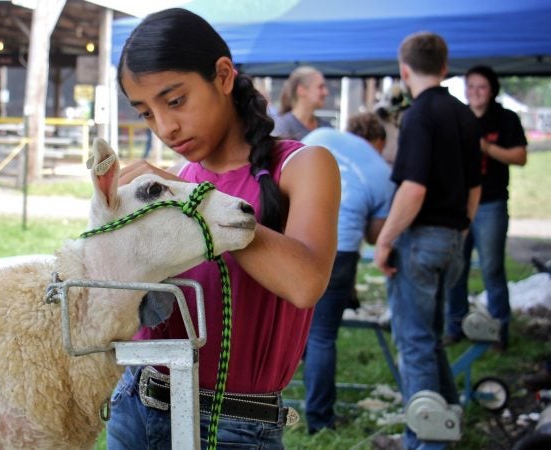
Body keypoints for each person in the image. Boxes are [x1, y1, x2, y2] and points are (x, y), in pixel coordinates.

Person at [106, 8, 340, 449]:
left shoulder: (302, 165)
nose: (165, 127)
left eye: (175, 101)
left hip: (233, 424)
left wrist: (191, 201)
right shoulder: (181, 178)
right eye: (146, 114)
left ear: (223, 75)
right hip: (138, 403)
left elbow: (306, 282)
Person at [373, 32, 481, 450]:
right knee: (431, 338)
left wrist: (384, 240)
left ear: (404, 70)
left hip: (420, 240)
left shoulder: (418, 116)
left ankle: (424, 441)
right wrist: (460, 229)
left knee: (414, 343)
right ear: (444, 67)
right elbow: (475, 187)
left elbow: (412, 189)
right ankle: (448, 420)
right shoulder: (465, 115)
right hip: (454, 237)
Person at [299, 112, 394, 434]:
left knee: (294, 323)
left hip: (295, 239)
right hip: (340, 250)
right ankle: (320, 421)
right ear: (378, 141)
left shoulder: (320, 138)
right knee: (323, 335)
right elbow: (375, 235)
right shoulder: (383, 171)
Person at [444, 65, 528, 351]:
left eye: (481, 87)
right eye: (470, 87)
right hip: (461, 203)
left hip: (491, 202)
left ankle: (499, 330)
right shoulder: (459, 117)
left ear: (491, 90)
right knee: (456, 266)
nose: (475, 93)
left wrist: (487, 148)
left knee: (492, 268)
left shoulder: (505, 118)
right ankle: (454, 326)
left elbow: (520, 156)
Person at [271, 66, 331, 140]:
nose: (326, 92)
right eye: (320, 87)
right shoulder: (282, 127)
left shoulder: (326, 127)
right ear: (301, 90)